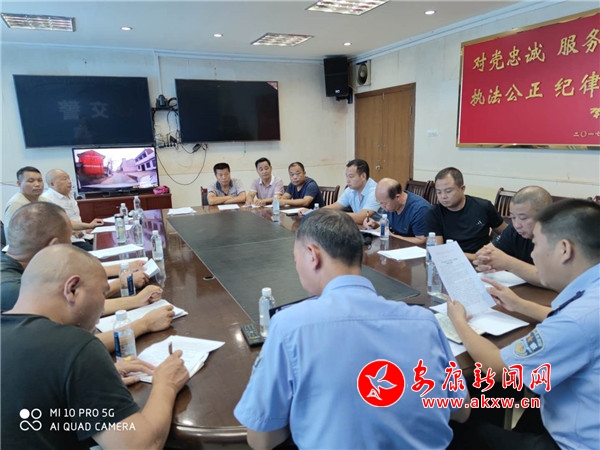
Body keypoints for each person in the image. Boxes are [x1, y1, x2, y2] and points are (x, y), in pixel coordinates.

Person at [234, 209, 469, 449]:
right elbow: (461, 411)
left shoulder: (289, 326)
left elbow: (262, 440)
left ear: (312, 255)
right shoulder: (425, 323)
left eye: (296, 259)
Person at [1, 244, 190, 449]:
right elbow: (141, 445)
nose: (102, 309)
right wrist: (166, 384)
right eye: (102, 293)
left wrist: (85, 380)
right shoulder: (76, 347)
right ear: (72, 289)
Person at [446, 199, 600, 449]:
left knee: (456, 422)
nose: (533, 254)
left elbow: (498, 368)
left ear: (564, 249)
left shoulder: (576, 321)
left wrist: (458, 321)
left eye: (536, 244)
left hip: (575, 441)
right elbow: (575, 323)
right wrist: (520, 305)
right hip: (574, 407)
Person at [0, 202, 171, 350]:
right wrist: (144, 323)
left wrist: (122, 279)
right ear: (54, 246)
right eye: (69, 239)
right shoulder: (11, 289)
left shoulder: (18, 265)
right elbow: (68, 347)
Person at [473, 186, 553, 287]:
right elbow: (484, 252)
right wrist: (484, 260)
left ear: (546, 215)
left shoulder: (560, 236)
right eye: (513, 217)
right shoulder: (514, 230)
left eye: (523, 218)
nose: (517, 225)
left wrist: (508, 262)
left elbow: (553, 279)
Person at [424, 167, 506, 258]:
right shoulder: (434, 212)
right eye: (439, 192)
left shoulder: (483, 207)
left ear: (462, 189)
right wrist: (472, 257)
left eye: (448, 191)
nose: (443, 196)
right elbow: (437, 251)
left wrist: (494, 250)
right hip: (451, 260)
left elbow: (507, 234)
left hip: (482, 261)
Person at [41, 168, 104, 250]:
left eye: (68, 178)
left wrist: (85, 229)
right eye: (64, 179)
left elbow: (75, 218)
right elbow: (60, 223)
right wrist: (87, 226)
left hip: (83, 236)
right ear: (52, 184)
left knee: (106, 244)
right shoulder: (46, 199)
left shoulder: (70, 194)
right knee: (97, 253)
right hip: (68, 242)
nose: (69, 181)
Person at [363, 177, 431, 245]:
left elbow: (422, 241)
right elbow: (385, 222)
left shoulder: (419, 210)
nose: (382, 206)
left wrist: (392, 236)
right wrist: (375, 224)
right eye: (380, 203)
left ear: (397, 197)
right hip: (396, 245)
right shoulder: (391, 205)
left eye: (384, 203)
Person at [323, 158, 380, 225]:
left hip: (378, 229)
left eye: (351, 176)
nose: (347, 181)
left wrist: (334, 215)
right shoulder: (350, 189)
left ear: (363, 176)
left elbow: (362, 218)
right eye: (347, 176)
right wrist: (317, 212)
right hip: (361, 228)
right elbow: (336, 206)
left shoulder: (375, 191)